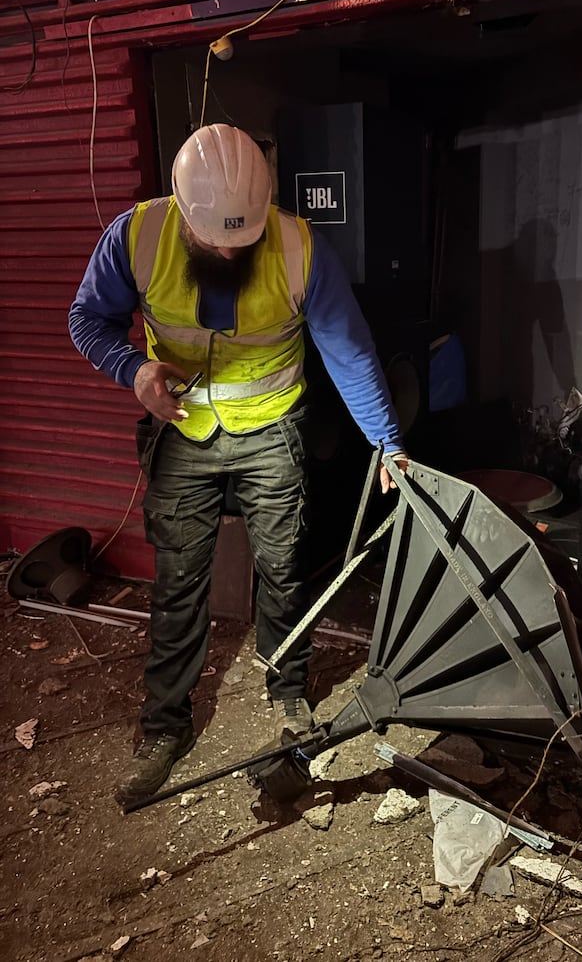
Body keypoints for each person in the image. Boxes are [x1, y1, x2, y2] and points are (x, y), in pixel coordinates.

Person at [69, 123, 407, 805]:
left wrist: (388, 442)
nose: (227, 249)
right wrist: (133, 371)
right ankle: (165, 728)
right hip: (184, 432)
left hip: (272, 430)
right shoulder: (136, 237)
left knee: (283, 573)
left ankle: (287, 700)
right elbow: (87, 321)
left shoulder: (297, 245)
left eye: (239, 237)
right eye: (212, 239)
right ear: (183, 210)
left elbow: (350, 350)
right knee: (178, 585)